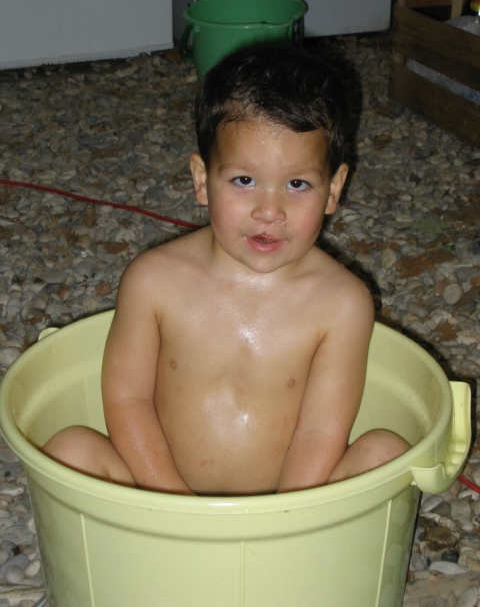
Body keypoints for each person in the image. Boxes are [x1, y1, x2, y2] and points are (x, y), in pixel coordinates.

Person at [44, 45, 410, 496]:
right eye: (244, 180)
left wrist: (286, 518)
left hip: (289, 507)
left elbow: (319, 433)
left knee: (387, 452)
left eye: (297, 184)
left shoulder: (342, 304)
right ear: (202, 179)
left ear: (333, 189)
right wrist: (171, 503)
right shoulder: (153, 281)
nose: (269, 211)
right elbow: (127, 400)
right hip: (156, 498)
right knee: (68, 450)